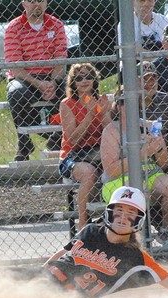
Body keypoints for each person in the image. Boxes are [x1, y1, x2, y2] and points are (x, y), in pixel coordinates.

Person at [39, 186, 168, 298]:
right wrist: (40, 271)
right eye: (119, 210)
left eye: (131, 213)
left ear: (138, 220)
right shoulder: (90, 231)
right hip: (43, 281)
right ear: (109, 214)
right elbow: (64, 251)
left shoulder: (137, 260)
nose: (123, 217)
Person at [100, 91, 168, 247]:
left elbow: (164, 163)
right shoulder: (112, 131)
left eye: (135, 103)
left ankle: (166, 232)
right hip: (118, 180)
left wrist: (158, 146)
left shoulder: (149, 126)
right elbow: (111, 170)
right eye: (125, 103)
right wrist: (143, 153)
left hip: (151, 173)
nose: (131, 107)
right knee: (139, 192)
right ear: (117, 106)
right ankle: (134, 244)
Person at [4, 0, 68, 161]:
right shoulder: (13, 27)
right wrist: (39, 84)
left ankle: (59, 138)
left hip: (52, 76)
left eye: (40, 1)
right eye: (32, 1)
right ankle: (24, 143)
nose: (36, 5)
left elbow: (60, 60)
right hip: (25, 78)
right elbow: (16, 67)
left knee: (73, 89)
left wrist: (52, 83)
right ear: (23, 3)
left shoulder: (56, 25)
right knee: (17, 93)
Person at [59, 63, 112, 230]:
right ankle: (83, 222)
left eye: (88, 76)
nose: (84, 81)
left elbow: (111, 130)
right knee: (89, 173)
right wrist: (90, 114)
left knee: (120, 167)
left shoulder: (101, 100)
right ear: (73, 82)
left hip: (99, 150)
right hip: (74, 154)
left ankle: (113, 218)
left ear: (94, 80)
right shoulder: (67, 104)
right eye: (79, 78)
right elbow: (73, 139)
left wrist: (101, 112)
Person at [136, 61, 168, 144]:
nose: (150, 83)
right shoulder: (126, 103)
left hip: (163, 149)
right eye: (144, 79)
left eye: (153, 79)